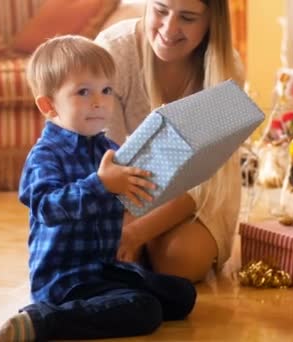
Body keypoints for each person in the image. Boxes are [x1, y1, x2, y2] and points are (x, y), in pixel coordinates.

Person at [0, 35, 197, 342]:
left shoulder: (107, 148)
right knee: (145, 310)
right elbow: (47, 206)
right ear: (49, 105)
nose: (99, 102)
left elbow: (131, 194)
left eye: (106, 90)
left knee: (182, 295)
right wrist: (100, 185)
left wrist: (155, 167)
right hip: (65, 279)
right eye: (83, 92)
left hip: (103, 267)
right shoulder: (45, 155)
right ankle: (44, 320)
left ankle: (104, 302)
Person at [95, 0, 247, 282]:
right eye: (161, 10)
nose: (169, 28)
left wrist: (135, 233)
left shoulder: (226, 70)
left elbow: (206, 185)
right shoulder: (113, 51)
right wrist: (122, 224)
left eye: (188, 18)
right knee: (105, 249)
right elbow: (104, 161)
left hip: (197, 198)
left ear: (211, 22)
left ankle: (146, 249)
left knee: (179, 261)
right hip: (128, 189)